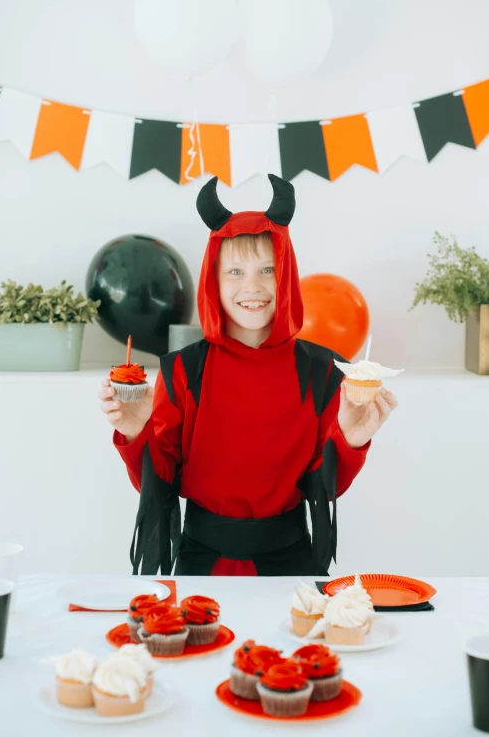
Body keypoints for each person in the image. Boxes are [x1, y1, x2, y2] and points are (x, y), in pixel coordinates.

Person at [98, 174, 398, 576]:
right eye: (235, 272)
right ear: (213, 282)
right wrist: (138, 433)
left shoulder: (323, 371)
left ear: (287, 274)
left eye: (268, 270)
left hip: (291, 565)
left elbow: (323, 488)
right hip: (200, 565)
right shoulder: (183, 370)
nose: (252, 286)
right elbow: (160, 482)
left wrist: (350, 440)